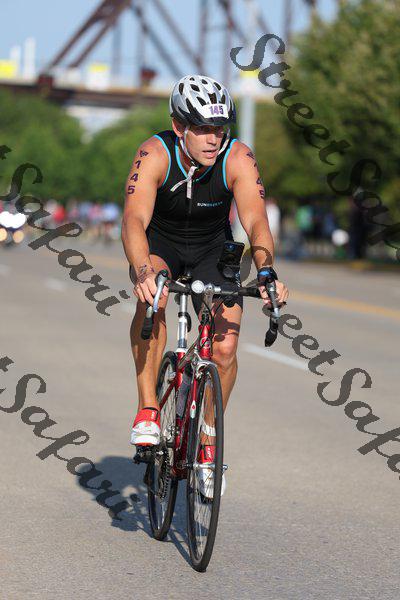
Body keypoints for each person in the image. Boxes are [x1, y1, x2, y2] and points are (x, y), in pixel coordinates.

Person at [121, 74, 289, 497]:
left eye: (220, 128)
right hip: (161, 246)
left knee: (225, 346)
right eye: (203, 129)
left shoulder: (238, 157)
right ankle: (148, 407)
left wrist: (266, 272)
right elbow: (134, 220)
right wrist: (142, 271)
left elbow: (256, 220)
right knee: (154, 297)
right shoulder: (154, 153)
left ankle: (208, 444)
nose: (214, 139)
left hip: (213, 249)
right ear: (180, 127)